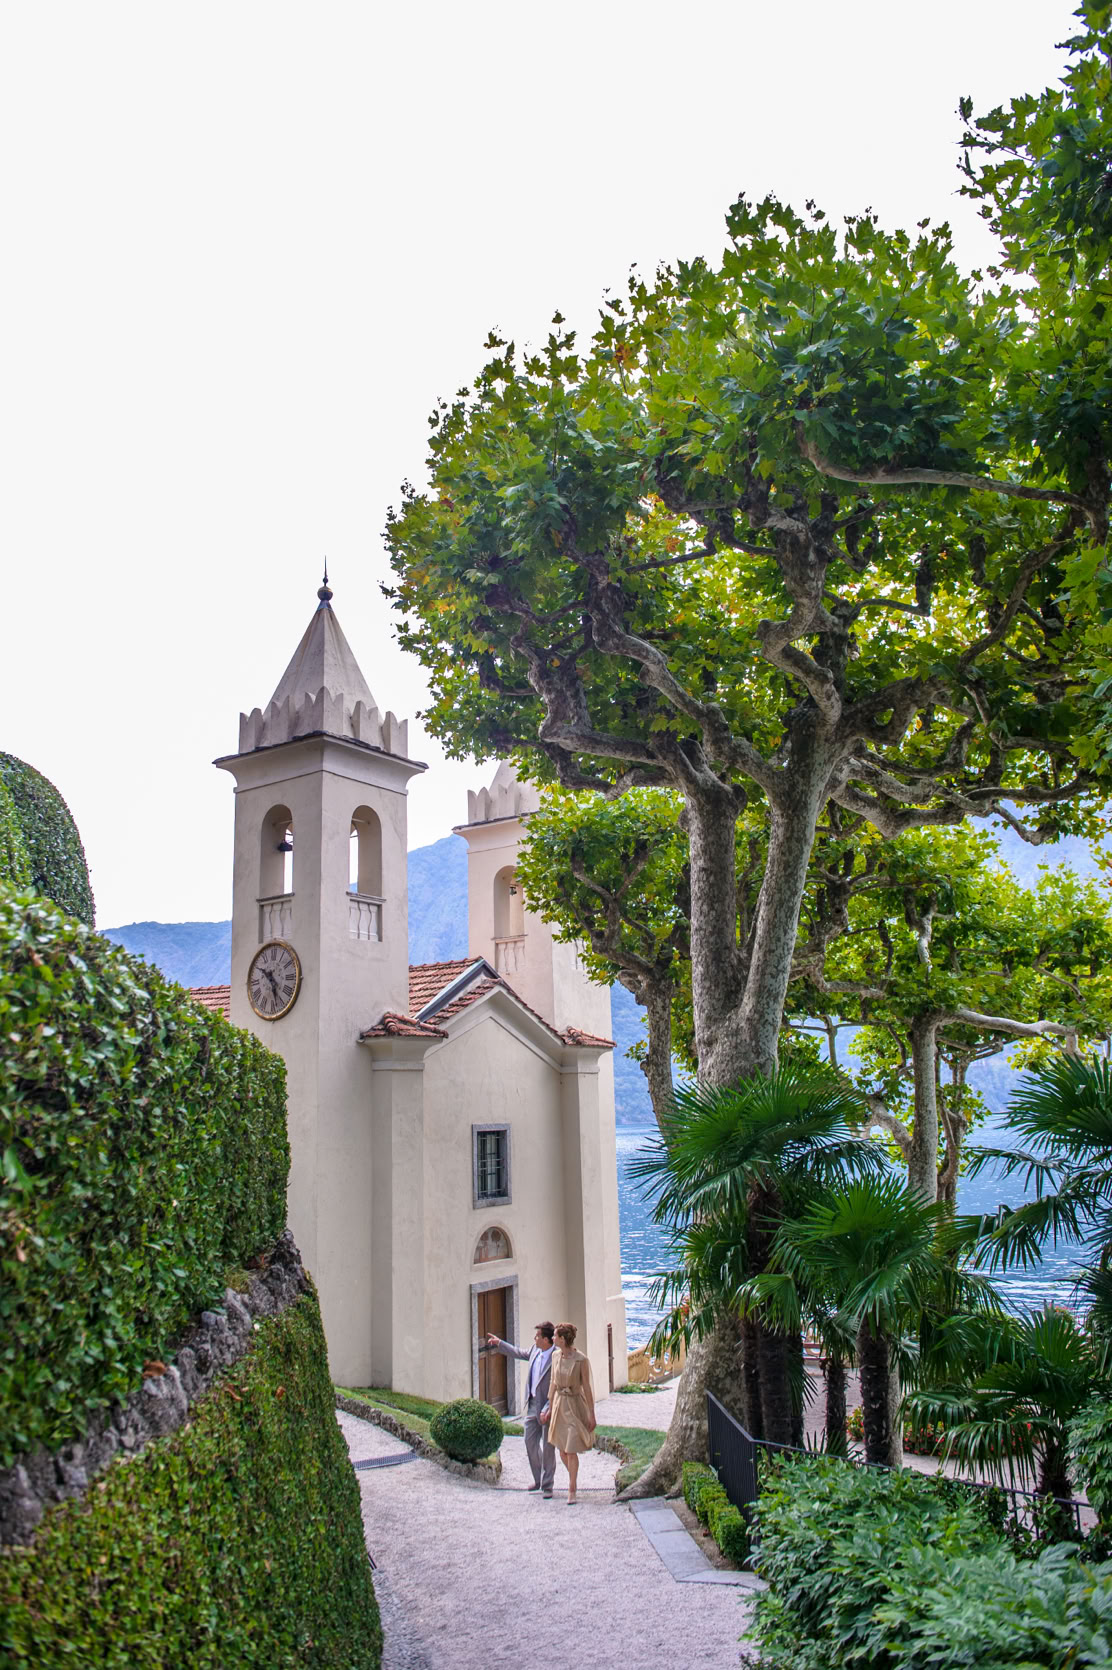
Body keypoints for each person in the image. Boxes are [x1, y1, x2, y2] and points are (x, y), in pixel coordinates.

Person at [486, 1321, 556, 1497]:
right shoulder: (534, 1350)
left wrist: (548, 1407)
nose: (535, 1338)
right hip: (533, 1405)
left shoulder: (557, 1356)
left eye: (538, 1336)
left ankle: (547, 1486)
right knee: (529, 1442)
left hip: (549, 1407)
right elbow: (519, 1352)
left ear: (547, 1340)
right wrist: (500, 1344)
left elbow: (558, 1386)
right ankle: (538, 1479)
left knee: (548, 1447)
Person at [540, 1322, 596, 1505]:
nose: (553, 1338)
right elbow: (553, 1383)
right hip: (558, 1404)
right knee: (562, 1450)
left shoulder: (581, 1360)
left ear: (563, 1339)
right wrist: (547, 1406)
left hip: (574, 1404)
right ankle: (574, 1476)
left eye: (555, 1336)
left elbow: (586, 1387)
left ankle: (572, 1489)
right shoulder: (556, 1356)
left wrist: (591, 1413)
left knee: (571, 1450)